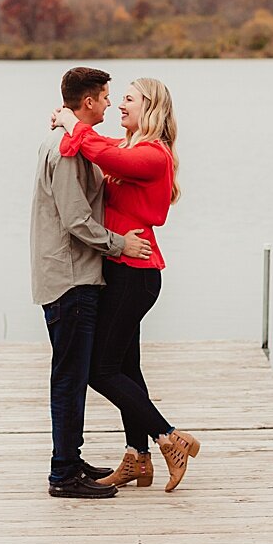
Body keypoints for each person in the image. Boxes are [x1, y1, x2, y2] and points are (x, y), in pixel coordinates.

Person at [52, 77, 200, 492]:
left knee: (100, 369)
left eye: (129, 100)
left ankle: (169, 437)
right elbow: (81, 148)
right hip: (118, 267)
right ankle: (138, 459)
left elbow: (94, 149)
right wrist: (69, 127)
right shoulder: (129, 147)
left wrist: (69, 120)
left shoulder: (153, 155)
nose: (119, 105)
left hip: (136, 273)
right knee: (127, 368)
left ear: (149, 108)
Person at [30, 66, 153, 499]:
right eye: (105, 97)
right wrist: (121, 245)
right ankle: (63, 474)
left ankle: (70, 458)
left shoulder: (76, 143)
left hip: (76, 275)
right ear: (87, 102)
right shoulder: (66, 150)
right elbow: (77, 219)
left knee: (75, 372)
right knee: (68, 376)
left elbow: (118, 157)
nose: (111, 103)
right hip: (70, 278)